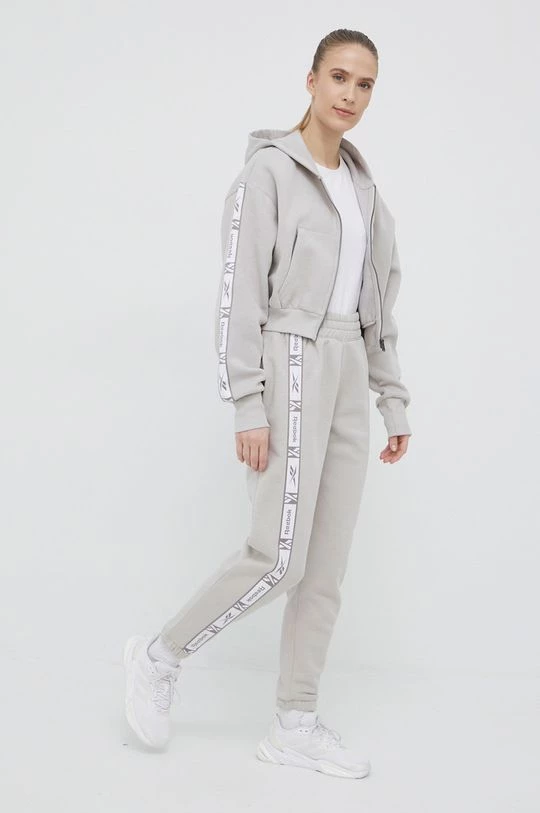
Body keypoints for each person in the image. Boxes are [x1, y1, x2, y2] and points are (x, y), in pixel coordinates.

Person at [123, 27, 412, 780]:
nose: (351, 95)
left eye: (365, 84)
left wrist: (392, 399)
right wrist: (247, 402)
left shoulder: (365, 191)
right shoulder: (268, 174)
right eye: (339, 77)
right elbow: (240, 295)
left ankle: (295, 721)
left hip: (350, 370)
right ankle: (160, 654)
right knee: (276, 556)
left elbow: (379, 303)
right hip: (291, 359)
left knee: (325, 568)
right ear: (311, 80)